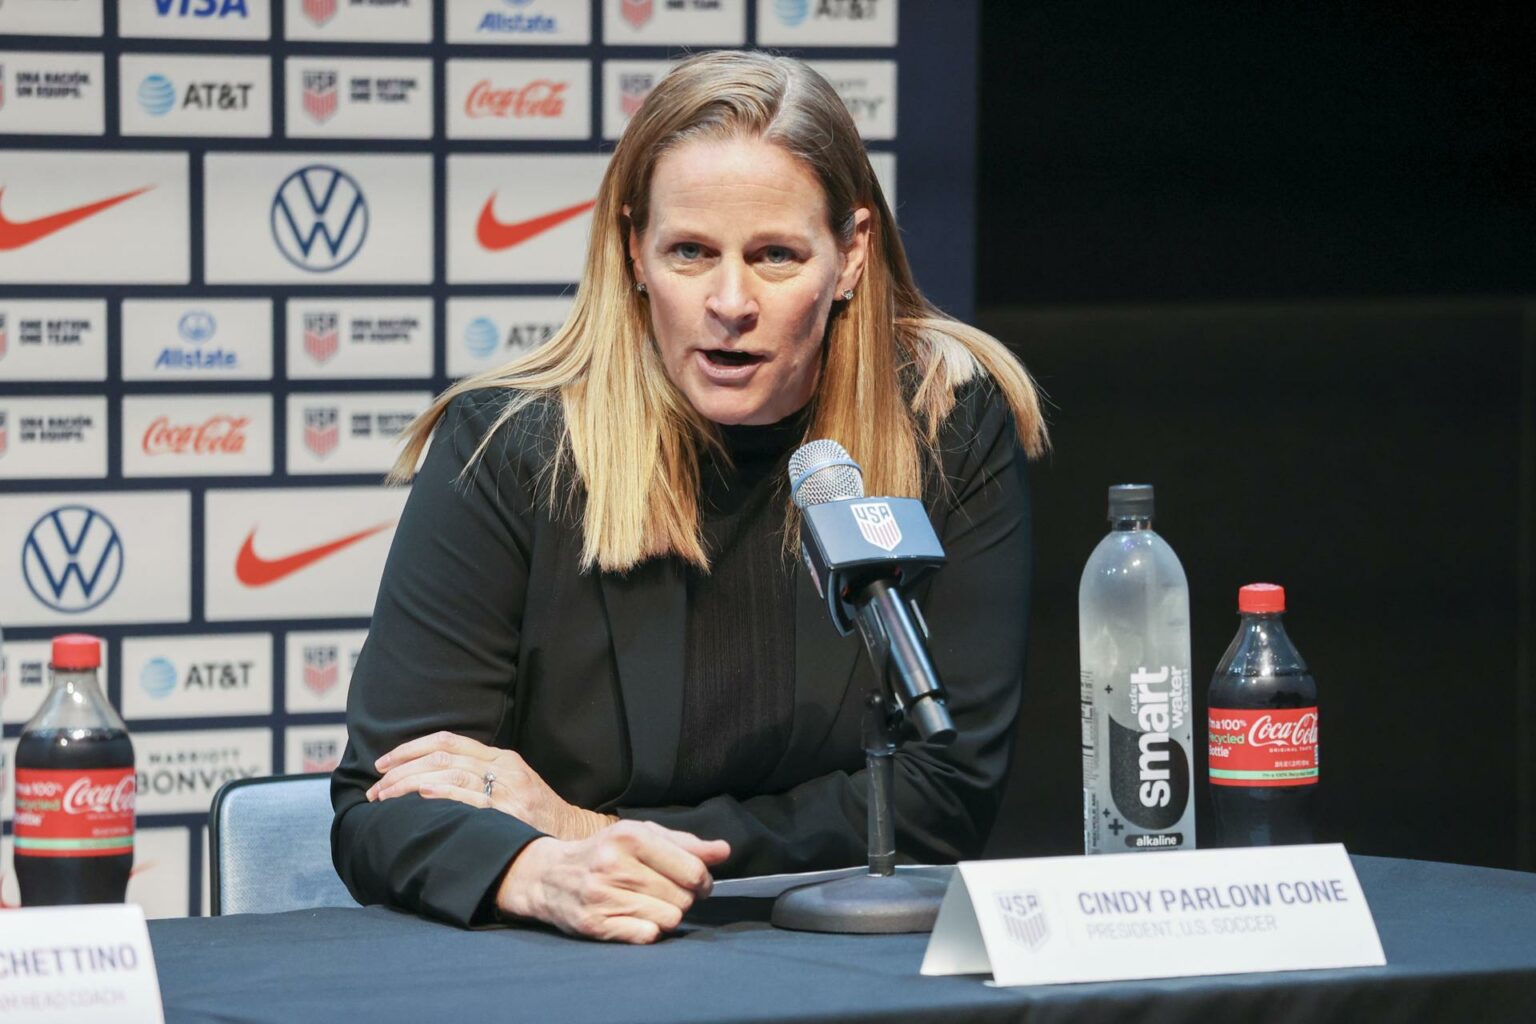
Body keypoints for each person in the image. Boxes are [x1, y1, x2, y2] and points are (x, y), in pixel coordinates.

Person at [331, 50, 1048, 944]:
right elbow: (384, 804)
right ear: (635, 250)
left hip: (844, 957)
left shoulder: (944, 422)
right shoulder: (509, 446)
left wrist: (582, 825)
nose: (730, 301)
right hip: (580, 958)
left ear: (852, 254)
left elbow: (942, 797)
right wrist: (538, 871)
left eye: (776, 255)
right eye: (691, 253)